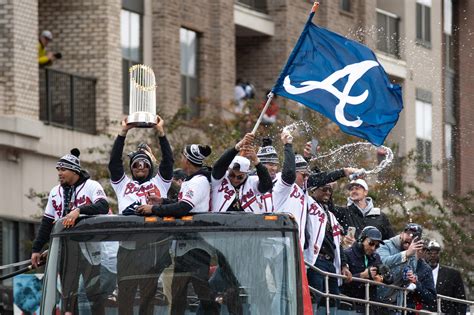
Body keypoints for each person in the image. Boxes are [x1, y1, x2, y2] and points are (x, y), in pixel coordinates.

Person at [136, 144, 217, 314]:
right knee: (178, 292)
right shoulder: (191, 179)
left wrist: (154, 210)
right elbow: (181, 204)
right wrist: (162, 201)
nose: (181, 160)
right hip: (184, 244)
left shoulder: (199, 181)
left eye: (182, 157)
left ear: (187, 160)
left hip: (197, 244)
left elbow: (183, 209)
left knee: (201, 290)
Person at [31, 148, 109, 315]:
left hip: (90, 250)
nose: (59, 173)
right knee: (68, 296)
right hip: (66, 251)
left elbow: (103, 206)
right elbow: (46, 223)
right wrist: (36, 249)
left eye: (63, 169)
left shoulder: (91, 186)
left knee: (94, 296)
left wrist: (78, 211)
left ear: (75, 170)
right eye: (58, 169)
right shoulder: (55, 192)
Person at [108, 116, 174, 315]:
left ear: (150, 167)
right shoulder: (122, 184)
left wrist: (161, 133)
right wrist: (123, 133)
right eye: (136, 165)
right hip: (127, 248)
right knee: (125, 295)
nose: (140, 168)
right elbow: (114, 164)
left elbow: (169, 161)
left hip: (152, 248)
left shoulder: (161, 183)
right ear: (132, 168)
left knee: (148, 296)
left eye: (144, 165)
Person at [305, 184, 352, 314]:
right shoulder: (308, 207)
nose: (327, 193)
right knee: (315, 296)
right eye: (324, 189)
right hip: (316, 259)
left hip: (330, 262)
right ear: (314, 190)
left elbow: (337, 242)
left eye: (330, 190)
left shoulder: (330, 215)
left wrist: (344, 264)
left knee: (334, 299)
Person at [211, 133, 272, 213]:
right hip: (222, 222)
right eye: (232, 175)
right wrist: (238, 146)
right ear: (228, 170)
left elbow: (267, 185)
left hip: (247, 223)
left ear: (246, 174)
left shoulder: (251, 182)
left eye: (240, 177)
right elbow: (219, 166)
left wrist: (256, 161)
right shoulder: (220, 179)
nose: (235, 179)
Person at [377, 223, 425, 313]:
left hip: (395, 304)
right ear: (402, 233)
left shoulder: (413, 253)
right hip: (376, 300)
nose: (410, 237)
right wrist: (405, 254)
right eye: (408, 234)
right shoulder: (386, 245)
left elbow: (411, 271)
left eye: (414, 236)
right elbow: (382, 262)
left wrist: (412, 277)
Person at [333, 179, 395, 248]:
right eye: (351, 189)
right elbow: (327, 207)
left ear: (365, 192)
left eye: (357, 188)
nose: (353, 191)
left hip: (374, 257)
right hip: (351, 257)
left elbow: (390, 242)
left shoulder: (380, 216)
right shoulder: (344, 212)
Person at [340, 226, 385, 314]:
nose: (373, 248)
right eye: (371, 243)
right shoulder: (347, 254)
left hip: (370, 304)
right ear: (361, 240)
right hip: (351, 303)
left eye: (377, 246)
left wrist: (381, 277)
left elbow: (388, 279)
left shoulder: (376, 257)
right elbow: (342, 280)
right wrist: (362, 275)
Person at [425, 240, 467, 314]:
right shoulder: (418, 272)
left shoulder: (452, 274)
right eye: (430, 253)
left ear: (439, 254)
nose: (433, 255)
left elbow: (461, 301)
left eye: (436, 253)